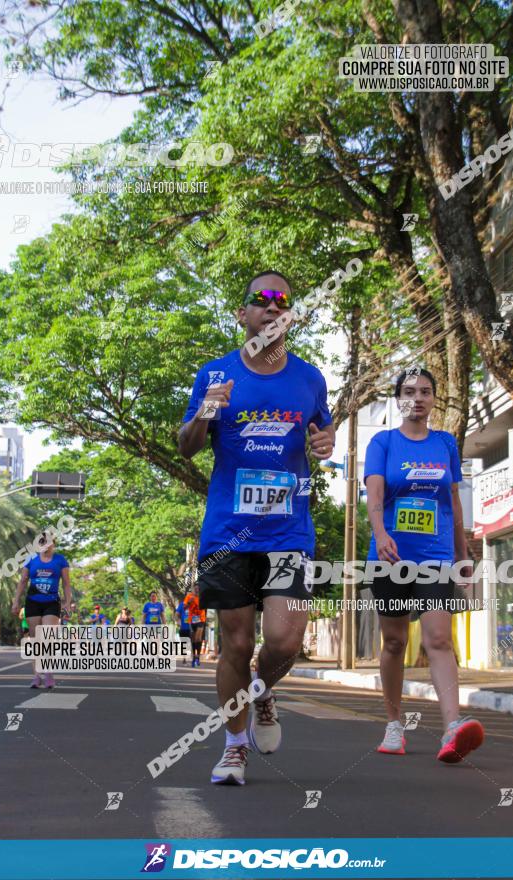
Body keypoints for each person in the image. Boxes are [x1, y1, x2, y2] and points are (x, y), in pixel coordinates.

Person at [179, 270, 335, 785]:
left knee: (286, 640)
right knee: (236, 644)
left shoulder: (310, 379)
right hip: (228, 532)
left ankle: (264, 692)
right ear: (242, 315)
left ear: (289, 316)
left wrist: (325, 446)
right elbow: (187, 445)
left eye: (281, 301)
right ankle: (234, 746)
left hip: (288, 529)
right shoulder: (215, 374)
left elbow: (323, 432)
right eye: (260, 300)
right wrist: (205, 411)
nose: (272, 308)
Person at [364, 368, 484, 763]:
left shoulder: (445, 443)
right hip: (391, 556)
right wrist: (381, 534)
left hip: (436, 556)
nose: (417, 398)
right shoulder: (382, 442)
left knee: (439, 639)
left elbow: (453, 501)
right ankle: (394, 725)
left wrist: (462, 552)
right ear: (398, 398)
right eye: (409, 391)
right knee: (395, 642)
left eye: (425, 392)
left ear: (435, 399)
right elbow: (376, 494)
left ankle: (452, 728)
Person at [11, 531, 71, 689]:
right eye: (42, 541)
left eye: (48, 541)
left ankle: (49, 673)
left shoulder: (60, 560)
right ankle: (37, 675)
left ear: (53, 544)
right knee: (35, 640)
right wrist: (16, 601)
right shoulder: (31, 560)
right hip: (33, 602)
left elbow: (66, 583)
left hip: (51, 602)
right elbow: (23, 581)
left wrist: (67, 602)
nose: (45, 544)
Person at [184, 585, 207, 667]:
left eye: (198, 589)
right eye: (196, 589)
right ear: (193, 589)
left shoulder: (203, 597)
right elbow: (184, 607)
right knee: (193, 639)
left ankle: (198, 657)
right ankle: (194, 656)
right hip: (192, 620)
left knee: (198, 638)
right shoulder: (189, 596)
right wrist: (190, 602)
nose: (197, 590)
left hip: (201, 619)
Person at [175, 594, 192, 665]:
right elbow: (176, 614)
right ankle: (184, 658)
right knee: (184, 644)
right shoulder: (181, 605)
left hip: (191, 628)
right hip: (183, 628)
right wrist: (178, 622)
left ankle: (193, 658)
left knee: (192, 643)